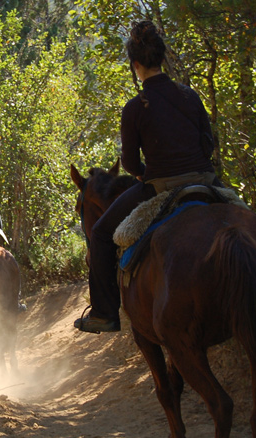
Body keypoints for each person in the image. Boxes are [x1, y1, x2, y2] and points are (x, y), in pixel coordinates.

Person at [75, 20, 220, 333]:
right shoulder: (190, 95)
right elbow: (209, 144)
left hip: (160, 186)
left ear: (136, 65)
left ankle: (104, 313)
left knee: (100, 234)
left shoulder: (135, 107)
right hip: (206, 181)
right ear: (163, 58)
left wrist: (144, 174)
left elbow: (129, 163)